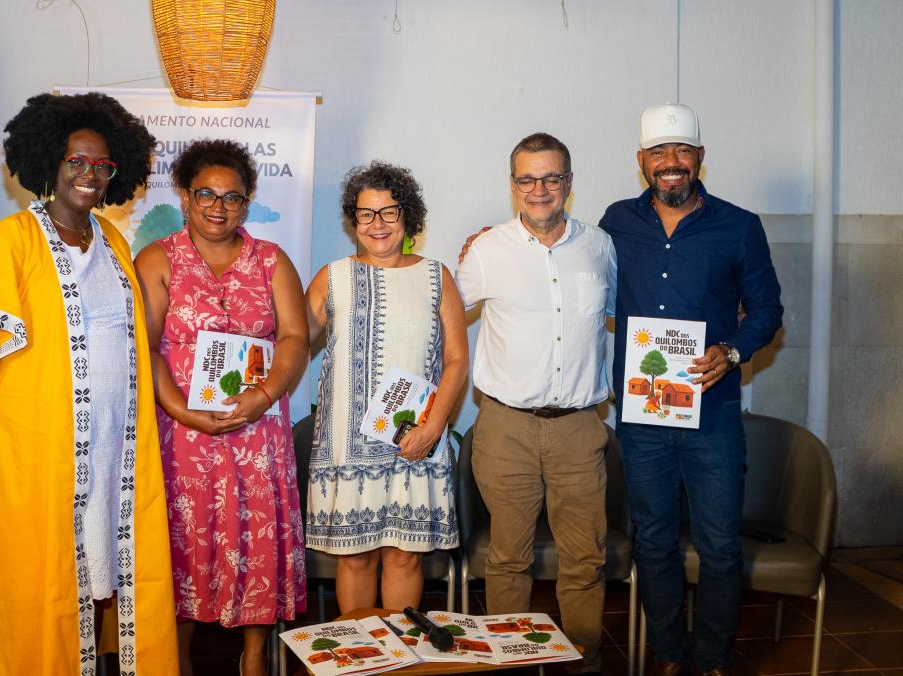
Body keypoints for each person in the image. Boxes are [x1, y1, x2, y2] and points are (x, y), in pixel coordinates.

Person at [0, 92, 178, 675]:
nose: (89, 176)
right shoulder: (12, 239)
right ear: (50, 162)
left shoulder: (114, 244)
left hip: (106, 453)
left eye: (102, 165)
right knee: (26, 579)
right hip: (34, 451)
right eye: (76, 162)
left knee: (92, 576)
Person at [598, 103, 783, 676]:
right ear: (642, 162)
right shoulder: (616, 221)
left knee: (720, 544)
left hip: (713, 413)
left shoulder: (739, 225)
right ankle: (670, 654)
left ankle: (713, 659)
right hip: (642, 415)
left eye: (681, 152)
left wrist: (731, 353)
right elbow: (568, 260)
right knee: (652, 540)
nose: (670, 164)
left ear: (700, 158)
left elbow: (768, 310)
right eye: (659, 153)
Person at [134, 139, 308, 676]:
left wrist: (262, 396)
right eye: (206, 194)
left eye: (232, 197)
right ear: (184, 197)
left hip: (257, 430)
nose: (218, 206)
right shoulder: (158, 258)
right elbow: (149, 346)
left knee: (257, 537)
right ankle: (176, 657)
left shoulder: (272, 260)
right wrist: (182, 412)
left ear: (247, 203)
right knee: (181, 540)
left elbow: (296, 337)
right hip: (181, 430)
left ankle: (254, 657)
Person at [456, 132, 618, 676]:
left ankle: (585, 660)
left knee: (586, 559)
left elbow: (625, 319)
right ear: (512, 186)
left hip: (579, 429)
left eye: (551, 178)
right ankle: (512, 664)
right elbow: (443, 322)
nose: (540, 189)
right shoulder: (486, 250)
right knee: (507, 560)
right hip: (506, 429)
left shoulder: (601, 247)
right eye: (528, 178)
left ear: (569, 183)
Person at [304, 161, 467, 613]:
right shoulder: (332, 276)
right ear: (353, 220)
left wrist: (434, 428)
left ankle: (402, 657)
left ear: (408, 216)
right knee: (354, 560)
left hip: (417, 441)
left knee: (404, 557)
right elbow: (290, 341)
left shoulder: (437, 277)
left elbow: (456, 360)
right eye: (366, 214)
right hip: (346, 449)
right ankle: (361, 657)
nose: (377, 224)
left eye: (389, 212)